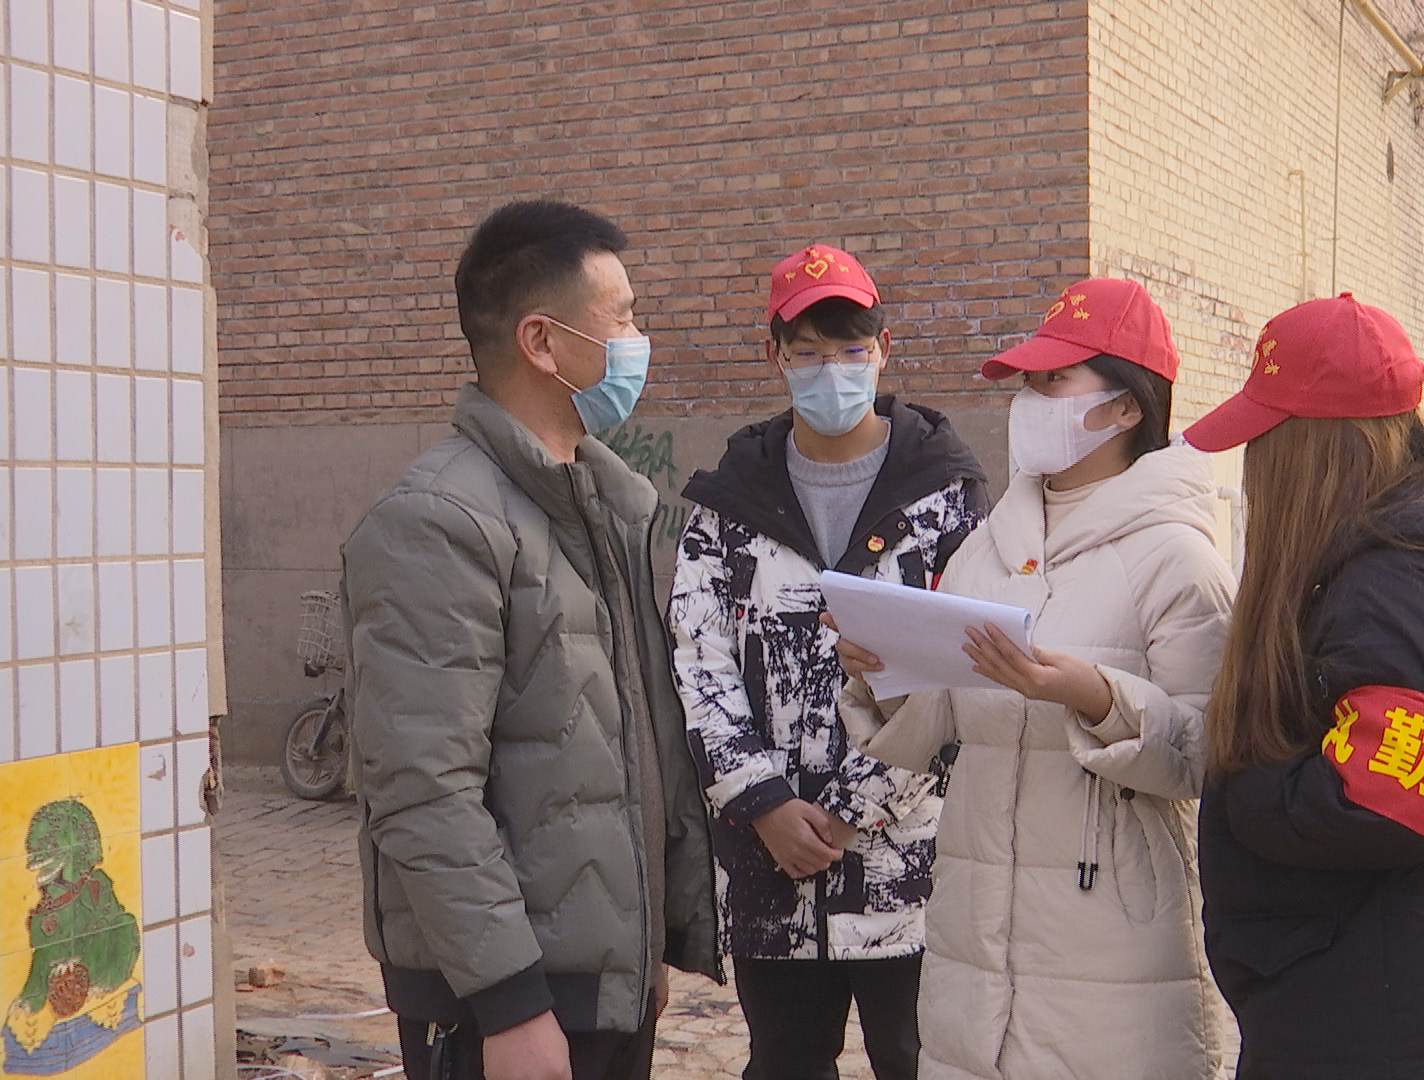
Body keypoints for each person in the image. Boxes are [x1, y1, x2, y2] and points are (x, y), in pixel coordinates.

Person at [343, 200, 721, 1080]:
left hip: (600, 986)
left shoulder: (601, 506)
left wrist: (644, 949)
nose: (638, 342)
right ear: (543, 342)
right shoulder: (437, 522)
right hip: (507, 1008)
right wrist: (509, 1003)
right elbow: (422, 789)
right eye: (622, 319)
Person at [833, 278, 1235, 1079]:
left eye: (1055, 381)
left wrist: (1095, 697)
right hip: (976, 940)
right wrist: (888, 674)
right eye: (1028, 381)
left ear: (1127, 407)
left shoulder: (1179, 559)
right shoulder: (988, 547)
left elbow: (1207, 756)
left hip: (1110, 949)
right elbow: (943, 723)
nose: (1030, 400)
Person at [1183, 293, 1424, 1079]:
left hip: (1388, 1029)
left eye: (1264, 439)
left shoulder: (1396, 589)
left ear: (1313, 452)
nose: (1253, 467)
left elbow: (1385, 802)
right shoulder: (1414, 559)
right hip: (1414, 1007)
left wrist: (1243, 782)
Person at [669, 243, 989, 1079]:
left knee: (920, 1061)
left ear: (883, 350)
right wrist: (766, 803)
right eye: (807, 352)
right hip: (770, 868)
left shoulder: (945, 500)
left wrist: (852, 812)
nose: (831, 371)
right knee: (783, 1061)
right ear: (774, 355)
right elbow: (699, 665)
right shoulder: (727, 506)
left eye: (850, 350)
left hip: (908, 869)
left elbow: (962, 678)